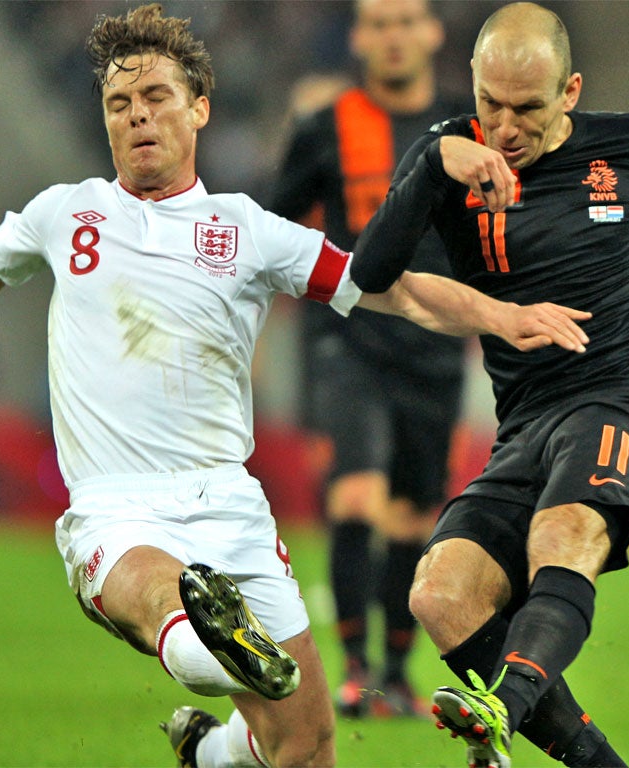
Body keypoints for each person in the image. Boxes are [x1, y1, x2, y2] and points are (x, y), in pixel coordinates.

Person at [0, 5, 595, 767]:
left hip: (230, 507)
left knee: (303, 745)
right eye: (119, 105)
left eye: (156, 98)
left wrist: (503, 313)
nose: (138, 117)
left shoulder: (249, 232)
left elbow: (393, 289)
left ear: (199, 107)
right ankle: (207, 641)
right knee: (177, 608)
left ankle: (209, 751)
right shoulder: (69, 214)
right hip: (116, 510)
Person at [350, 3, 629, 767]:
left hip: (627, 395)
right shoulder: (448, 156)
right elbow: (369, 275)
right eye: (489, 104)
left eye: (527, 108)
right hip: (526, 423)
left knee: (563, 534)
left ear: (571, 91)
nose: (504, 127)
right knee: (440, 596)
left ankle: (498, 710)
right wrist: (430, 168)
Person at [268, 0, 469, 719]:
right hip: (347, 339)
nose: (392, 36)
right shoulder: (325, 127)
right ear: (357, 38)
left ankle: (395, 671)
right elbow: (270, 223)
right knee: (355, 496)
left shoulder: (464, 129)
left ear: (432, 32)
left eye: (405, 21)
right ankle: (353, 670)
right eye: (378, 23)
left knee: (415, 519)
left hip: (436, 349)